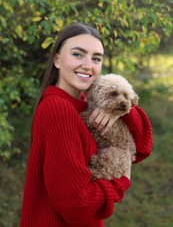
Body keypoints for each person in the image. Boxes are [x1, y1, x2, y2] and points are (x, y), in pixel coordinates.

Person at [20, 22, 153, 227]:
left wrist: (122, 112)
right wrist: (121, 182)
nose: (88, 65)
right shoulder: (58, 109)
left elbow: (143, 145)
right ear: (57, 59)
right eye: (77, 54)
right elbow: (77, 204)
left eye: (96, 58)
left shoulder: (84, 104)